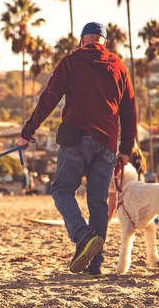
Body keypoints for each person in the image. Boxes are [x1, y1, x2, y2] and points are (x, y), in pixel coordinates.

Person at [17, 22, 137, 277]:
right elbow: (129, 111)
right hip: (107, 143)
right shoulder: (119, 67)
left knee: (61, 190)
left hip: (77, 138)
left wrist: (28, 132)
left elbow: (49, 97)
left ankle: (83, 237)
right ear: (104, 41)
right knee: (98, 202)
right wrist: (126, 149)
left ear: (83, 40)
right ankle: (95, 263)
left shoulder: (71, 62)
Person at [107, 140, 146, 223]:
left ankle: (109, 219)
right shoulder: (138, 155)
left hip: (125, 175)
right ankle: (130, 217)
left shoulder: (131, 154)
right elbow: (142, 169)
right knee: (126, 198)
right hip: (134, 179)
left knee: (113, 196)